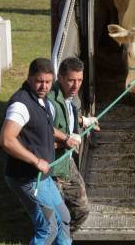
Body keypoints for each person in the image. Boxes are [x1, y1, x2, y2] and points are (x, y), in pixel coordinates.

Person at [0, 58, 73, 245]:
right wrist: (35, 160)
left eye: (48, 82)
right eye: (40, 81)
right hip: (27, 179)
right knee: (48, 228)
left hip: (43, 178)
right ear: (30, 78)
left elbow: (45, 128)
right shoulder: (21, 105)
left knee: (64, 218)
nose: (44, 86)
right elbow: (7, 140)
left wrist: (64, 138)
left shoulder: (43, 102)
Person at [47, 57, 99, 233]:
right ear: (60, 78)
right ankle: (55, 237)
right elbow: (43, 126)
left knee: (82, 210)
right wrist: (65, 139)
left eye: (80, 80)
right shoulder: (49, 100)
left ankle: (64, 236)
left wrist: (83, 120)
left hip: (66, 163)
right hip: (50, 166)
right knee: (54, 216)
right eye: (71, 80)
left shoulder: (70, 98)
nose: (76, 85)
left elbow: (66, 117)